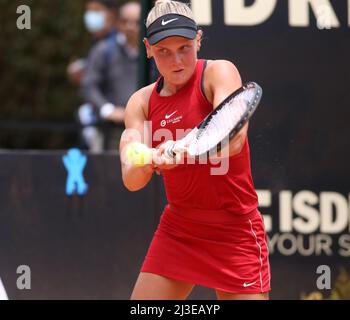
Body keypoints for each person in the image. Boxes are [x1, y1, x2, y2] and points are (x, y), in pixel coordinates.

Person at [119, 0, 271, 300]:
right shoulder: (140, 102)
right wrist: (150, 159)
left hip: (234, 229)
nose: (176, 60)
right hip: (179, 229)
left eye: (185, 48)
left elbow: (235, 139)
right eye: (163, 51)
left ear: (198, 40)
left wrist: (182, 148)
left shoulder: (219, 72)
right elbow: (131, 178)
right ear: (148, 48)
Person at [81, 0, 141, 150]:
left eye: (137, 22)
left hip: (146, 128)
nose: (131, 27)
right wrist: (107, 110)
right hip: (111, 129)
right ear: (118, 23)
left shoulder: (156, 53)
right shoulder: (103, 50)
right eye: (125, 21)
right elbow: (89, 86)